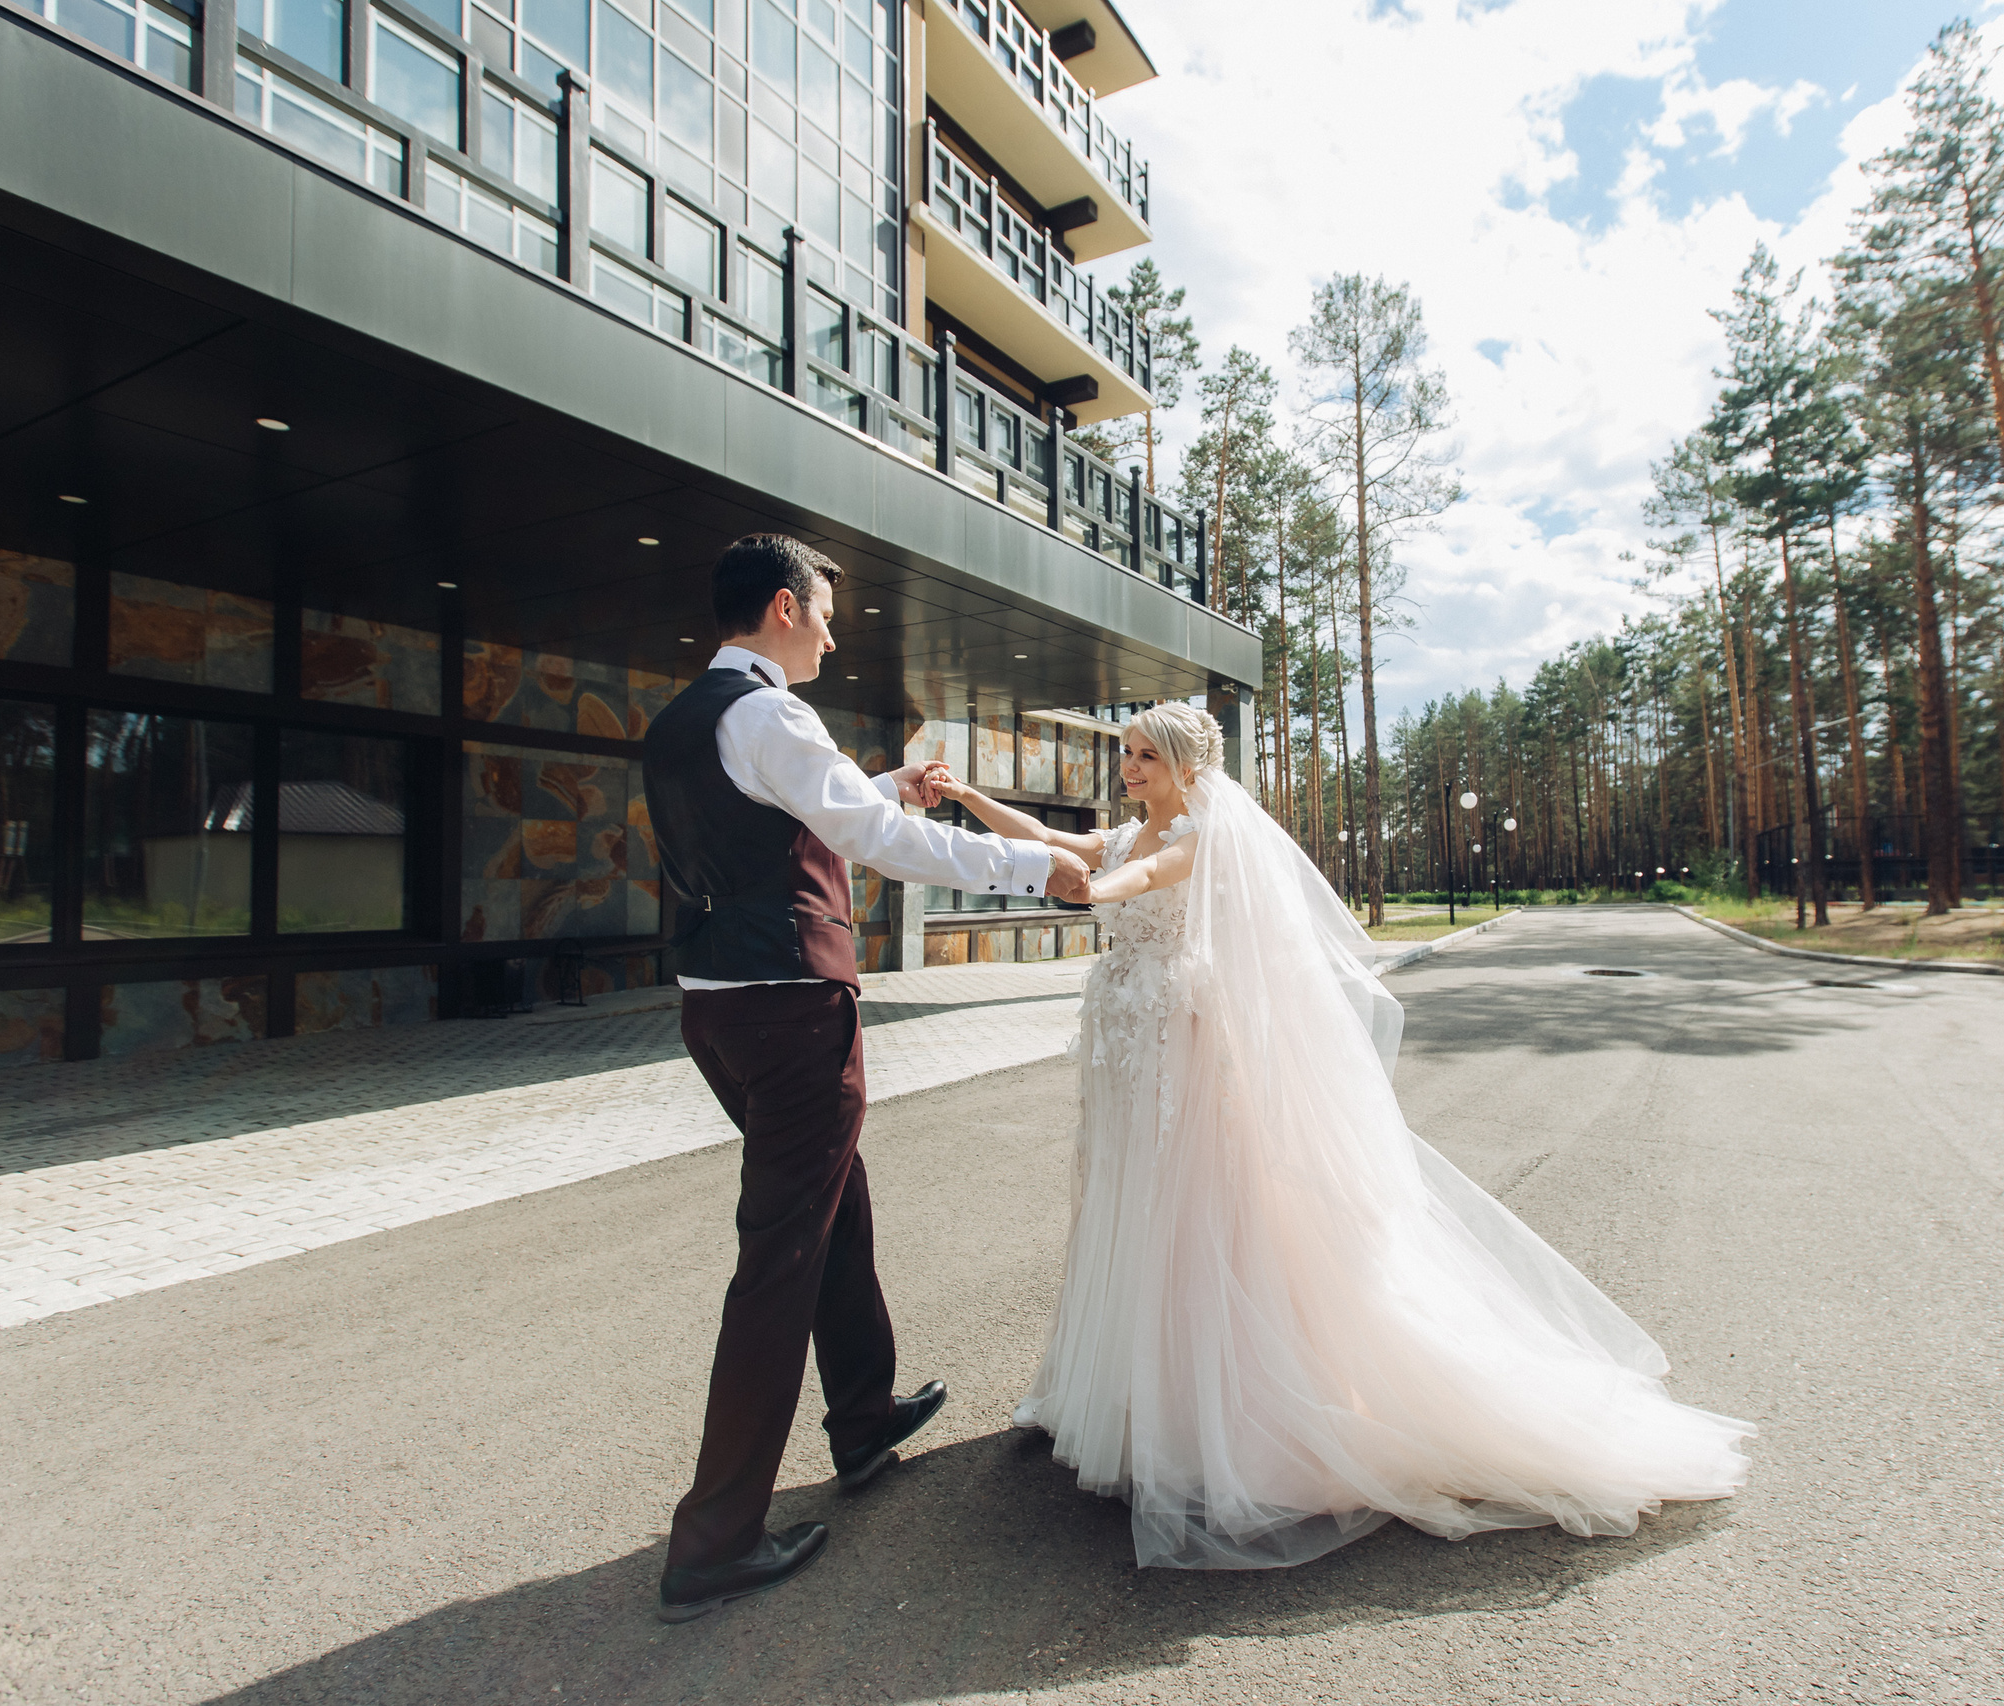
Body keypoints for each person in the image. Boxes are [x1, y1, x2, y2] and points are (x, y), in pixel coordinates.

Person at [933, 701, 1752, 1569]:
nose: (1129, 767)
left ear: (1184, 767)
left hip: (1180, 1055)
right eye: (1127, 754)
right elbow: (1049, 841)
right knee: (1127, 1207)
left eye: (1145, 756)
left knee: (1192, 1215)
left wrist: (1092, 889)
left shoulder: (1198, 841)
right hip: (1132, 1057)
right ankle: (1138, 1400)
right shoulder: (1129, 832)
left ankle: (1216, 1417)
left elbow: (1140, 879)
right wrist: (969, 797)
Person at [641, 534, 1091, 1622]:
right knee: (781, 1252)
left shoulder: (683, 719)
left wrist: (889, 783)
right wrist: (1033, 863)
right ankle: (712, 1539)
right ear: (786, 606)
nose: (836, 631)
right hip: (792, 1006)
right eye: (829, 612)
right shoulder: (771, 713)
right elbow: (874, 838)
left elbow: (799, 815)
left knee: (833, 1203)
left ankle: (864, 1412)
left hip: (717, 1005)